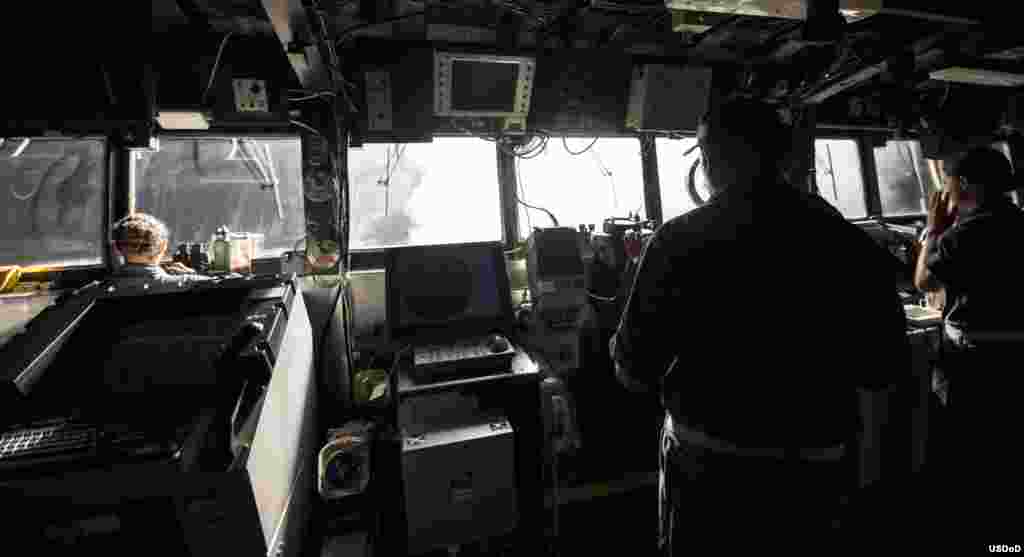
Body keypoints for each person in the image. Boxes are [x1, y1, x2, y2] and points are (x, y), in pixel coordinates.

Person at [609, 98, 909, 552]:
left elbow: (634, 372)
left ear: (708, 161)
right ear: (786, 157)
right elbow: (884, 368)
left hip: (709, 472)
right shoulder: (848, 242)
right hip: (817, 475)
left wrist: (617, 346)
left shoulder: (677, 240)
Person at [913, 146, 1024, 538]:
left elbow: (924, 281)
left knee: (968, 453)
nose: (946, 192)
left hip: (972, 363)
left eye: (949, 183)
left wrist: (934, 226)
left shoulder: (963, 235)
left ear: (967, 186)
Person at [109, 212, 210, 286]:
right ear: (163, 247)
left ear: (117, 248)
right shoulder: (194, 284)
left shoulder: (95, 292)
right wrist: (192, 275)